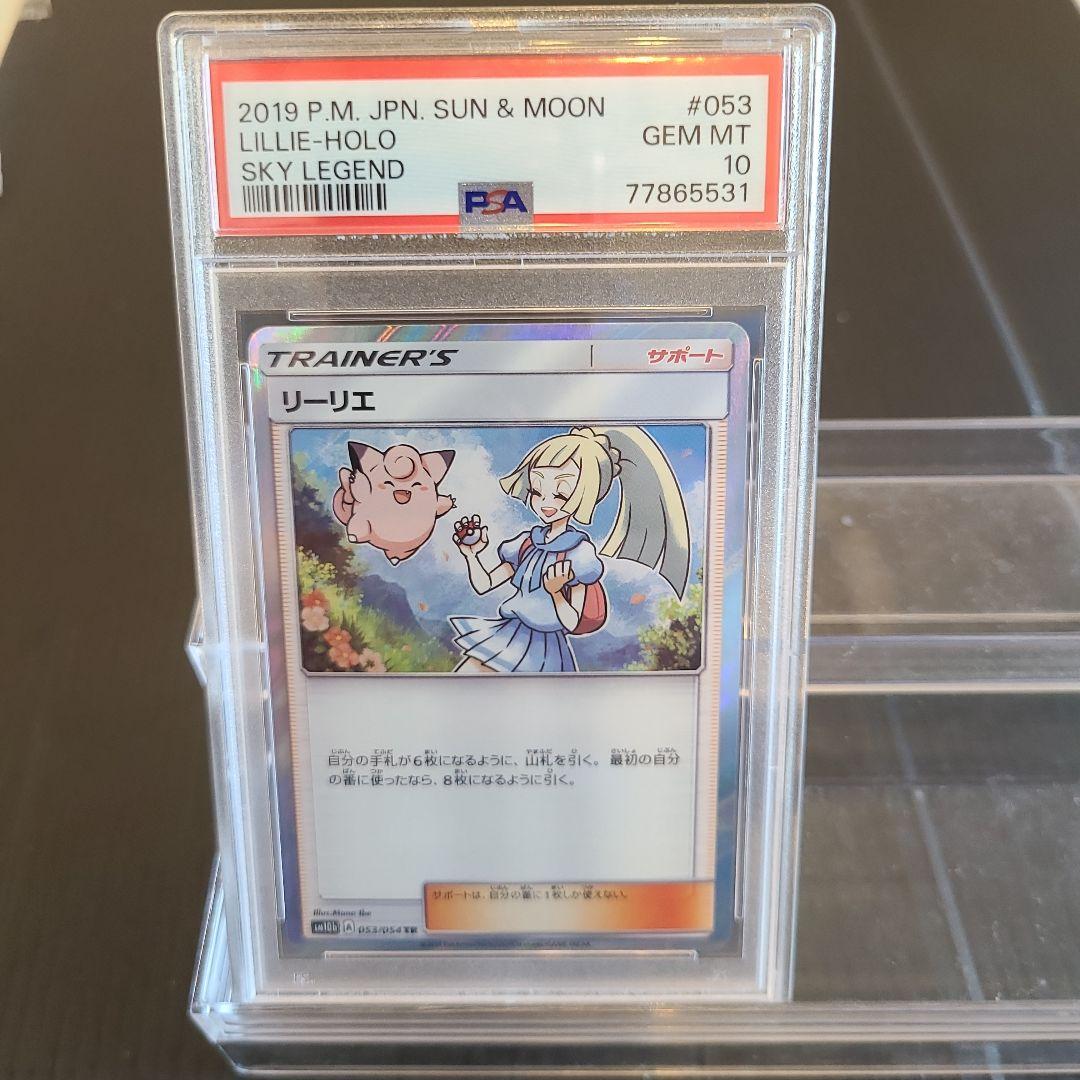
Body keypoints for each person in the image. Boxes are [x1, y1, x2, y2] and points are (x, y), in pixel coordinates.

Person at [450, 426, 689, 673]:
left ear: (585, 495)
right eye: (537, 490)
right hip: (508, 631)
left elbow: (572, 621)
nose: (546, 502)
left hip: (542, 648)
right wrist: (472, 554)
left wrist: (556, 593)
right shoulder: (526, 544)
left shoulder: (578, 555)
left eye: (561, 495)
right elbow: (484, 585)